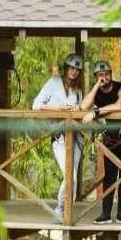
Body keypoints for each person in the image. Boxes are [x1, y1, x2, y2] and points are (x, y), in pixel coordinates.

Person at [32, 53, 84, 223]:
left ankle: (64, 210)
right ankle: (60, 209)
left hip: (75, 138)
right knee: (69, 176)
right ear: (66, 68)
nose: (74, 72)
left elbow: (81, 111)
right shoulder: (53, 83)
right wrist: (58, 108)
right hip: (59, 137)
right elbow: (36, 105)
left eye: (77, 69)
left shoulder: (78, 91)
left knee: (73, 178)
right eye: (72, 68)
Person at [81, 60, 121, 224]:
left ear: (111, 74)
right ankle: (105, 213)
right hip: (111, 137)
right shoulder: (97, 91)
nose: (104, 77)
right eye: (100, 75)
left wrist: (96, 112)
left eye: (106, 74)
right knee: (109, 176)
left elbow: (120, 105)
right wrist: (97, 85)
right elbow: (83, 107)